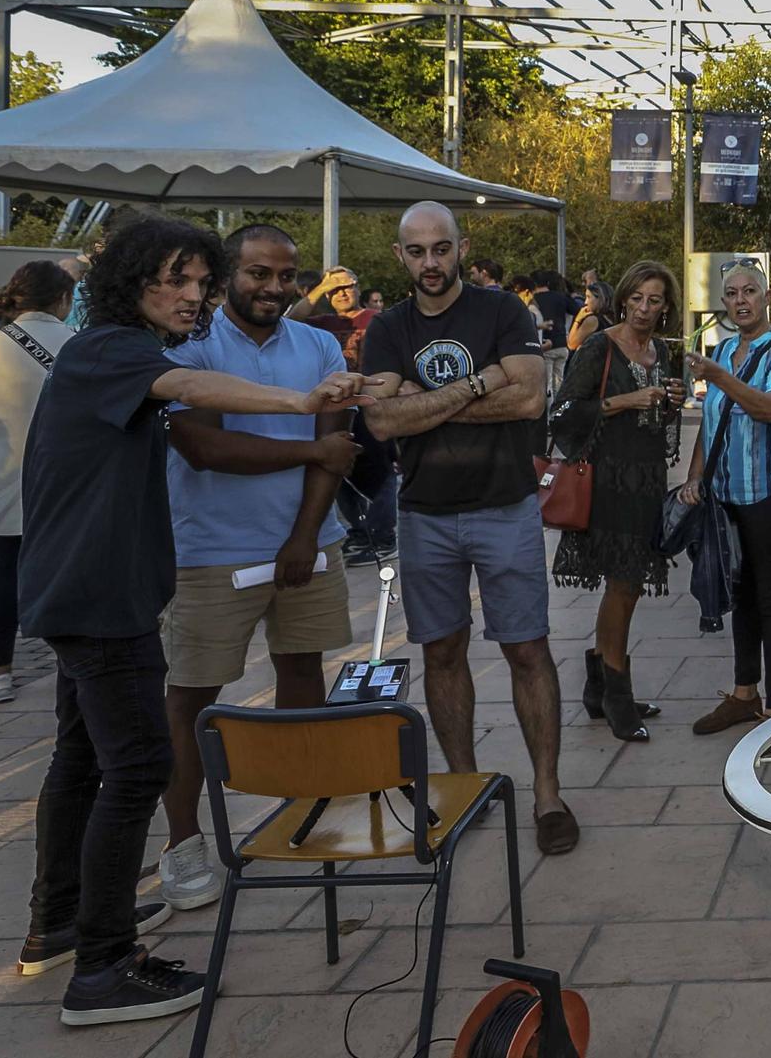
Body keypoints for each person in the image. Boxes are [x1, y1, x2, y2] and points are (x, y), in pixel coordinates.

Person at [18, 215, 373, 1026]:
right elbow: (192, 393)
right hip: (100, 593)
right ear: (128, 282)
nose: (191, 296)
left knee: (81, 758)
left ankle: (62, 920)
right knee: (139, 765)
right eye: (172, 280)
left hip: (89, 585)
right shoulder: (114, 348)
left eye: (198, 282)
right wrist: (301, 400)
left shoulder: (112, 347)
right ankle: (103, 970)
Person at [155, 224, 362, 911]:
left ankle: (304, 811)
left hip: (310, 541)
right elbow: (203, 446)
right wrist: (307, 455)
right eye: (258, 273)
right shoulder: (190, 343)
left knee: (303, 672)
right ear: (226, 276)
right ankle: (184, 845)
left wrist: (304, 535)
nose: (275, 287)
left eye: (287, 275)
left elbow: (336, 440)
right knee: (191, 697)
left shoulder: (320, 344)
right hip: (210, 550)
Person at [361, 202, 577, 856]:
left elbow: (530, 398)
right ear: (401, 256)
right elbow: (379, 422)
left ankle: (547, 793)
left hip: (505, 506)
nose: (431, 262)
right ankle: (461, 787)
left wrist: (419, 405)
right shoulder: (388, 327)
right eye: (418, 251)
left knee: (528, 650)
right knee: (442, 654)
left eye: (442, 248)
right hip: (425, 514)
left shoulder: (502, 312)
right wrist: (478, 384)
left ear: (462, 247)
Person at [548, 261, 685, 741]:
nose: (645, 308)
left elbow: (660, 416)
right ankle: (616, 695)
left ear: (666, 306)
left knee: (625, 588)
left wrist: (670, 399)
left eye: (655, 300)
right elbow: (562, 412)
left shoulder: (661, 351)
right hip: (606, 482)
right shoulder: (598, 347)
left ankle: (599, 685)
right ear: (623, 299)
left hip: (646, 480)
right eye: (638, 298)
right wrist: (626, 401)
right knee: (623, 586)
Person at [679, 260, 771, 732]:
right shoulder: (726, 348)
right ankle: (743, 694)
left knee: (770, 597)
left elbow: (770, 408)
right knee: (741, 594)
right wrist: (696, 478)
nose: (740, 301)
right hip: (727, 494)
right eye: (731, 294)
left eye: (749, 291)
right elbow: (711, 425)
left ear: (767, 297)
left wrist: (717, 376)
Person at [0, 261, 76, 700]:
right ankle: (72, 668)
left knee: (0, 575)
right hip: (61, 481)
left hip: (0, 476)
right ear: (63, 299)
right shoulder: (77, 343)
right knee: (62, 574)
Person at [567, 280, 610, 351]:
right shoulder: (613, 317)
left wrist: (577, 320)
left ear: (599, 298)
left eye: (588, 297)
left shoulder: (592, 320)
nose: (585, 302)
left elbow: (571, 344)